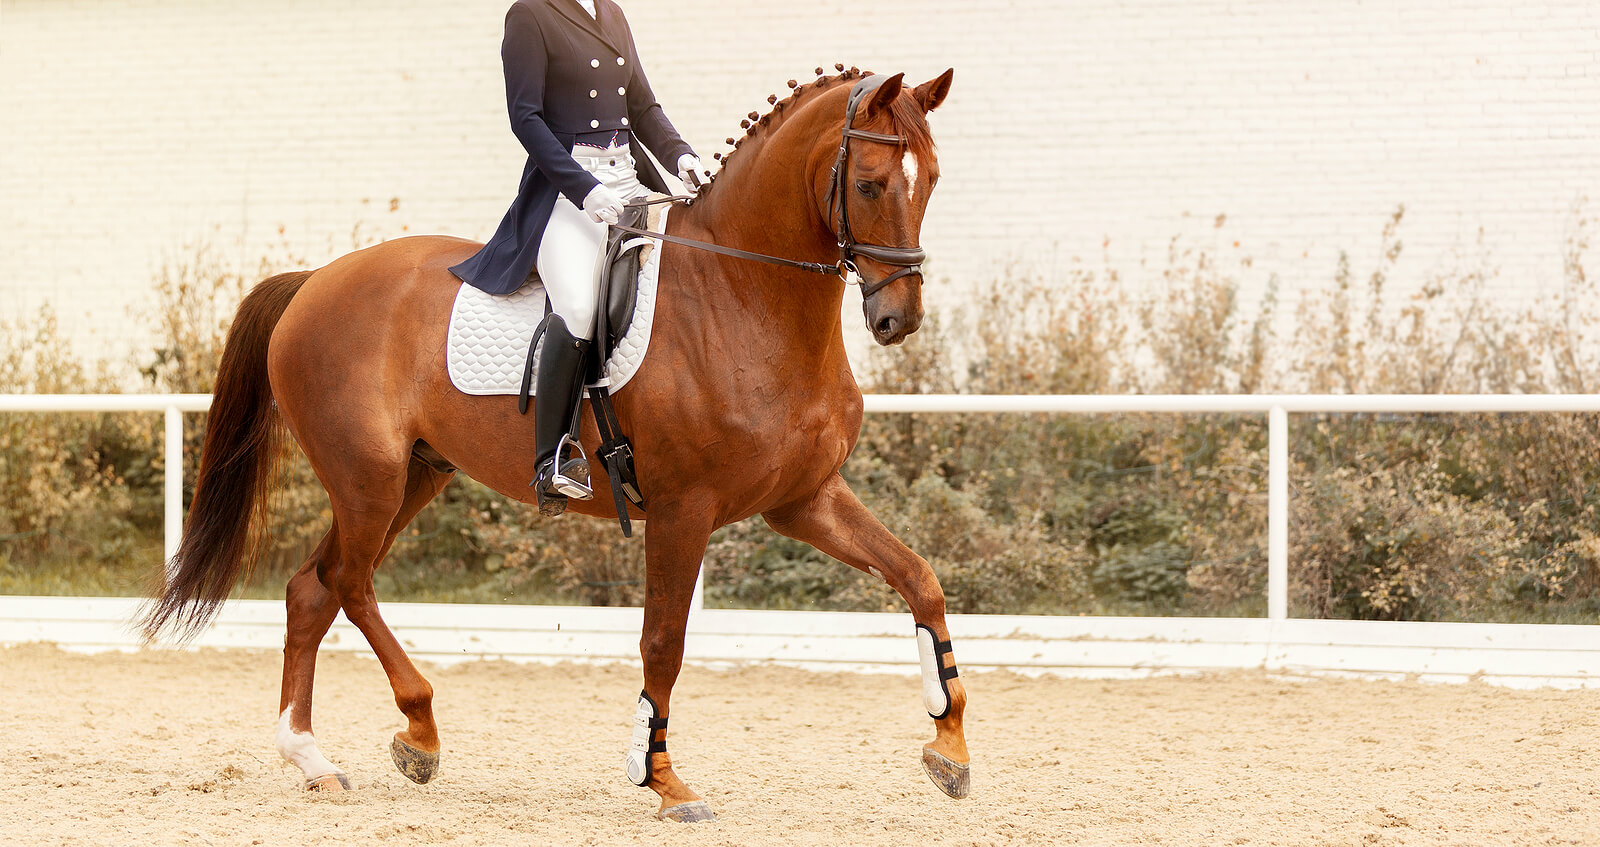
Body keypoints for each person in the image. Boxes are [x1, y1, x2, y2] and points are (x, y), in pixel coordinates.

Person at [451, 0, 711, 516]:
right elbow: (524, 119)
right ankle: (552, 459)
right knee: (577, 306)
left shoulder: (611, 13)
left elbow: (643, 106)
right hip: (566, 192)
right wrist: (583, 189)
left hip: (630, 181)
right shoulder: (530, 14)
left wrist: (681, 155)